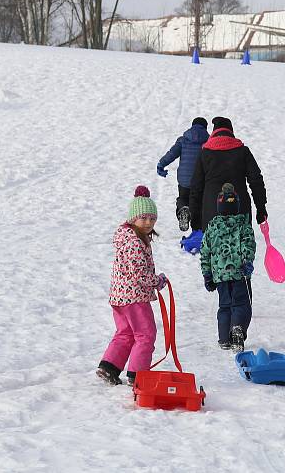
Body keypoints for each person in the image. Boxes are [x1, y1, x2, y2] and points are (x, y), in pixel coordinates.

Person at [97, 185, 168, 386]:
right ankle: (138, 376)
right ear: (133, 218)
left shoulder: (127, 237)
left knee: (125, 332)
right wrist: (158, 281)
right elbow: (140, 274)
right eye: (143, 218)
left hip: (120, 297)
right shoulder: (134, 242)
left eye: (152, 219)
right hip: (134, 297)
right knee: (145, 334)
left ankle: (109, 367)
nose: (148, 223)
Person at [200, 183, 256, 352]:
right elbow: (249, 246)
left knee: (225, 305)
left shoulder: (212, 228)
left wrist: (207, 274)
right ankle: (238, 328)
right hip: (239, 274)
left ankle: (224, 338)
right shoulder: (243, 225)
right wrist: (247, 263)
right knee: (241, 304)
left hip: (220, 276)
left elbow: (205, 251)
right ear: (237, 206)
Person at [188, 116, 267, 232]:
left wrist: (195, 216)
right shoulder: (243, 151)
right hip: (240, 212)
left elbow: (196, 187)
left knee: (213, 248)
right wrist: (261, 208)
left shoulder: (205, 154)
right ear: (231, 132)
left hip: (211, 213)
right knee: (241, 247)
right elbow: (256, 181)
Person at [157, 117, 210, 231]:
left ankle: (183, 209)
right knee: (198, 202)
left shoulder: (183, 140)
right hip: (200, 180)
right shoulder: (209, 141)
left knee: (183, 198)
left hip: (184, 179)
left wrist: (161, 164)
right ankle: (198, 230)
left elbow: (171, 154)